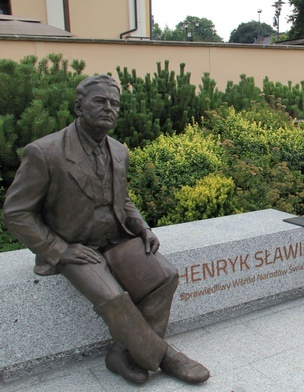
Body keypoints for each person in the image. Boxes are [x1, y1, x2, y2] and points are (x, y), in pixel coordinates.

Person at [2, 75, 210, 384]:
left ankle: (120, 353)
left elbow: (121, 199)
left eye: (114, 104)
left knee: (166, 275)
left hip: (115, 238)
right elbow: (16, 212)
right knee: (114, 298)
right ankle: (165, 355)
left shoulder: (118, 150)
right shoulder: (45, 152)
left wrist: (141, 227)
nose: (108, 108)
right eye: (100, 101)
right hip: (73, 247)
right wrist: (60, 249)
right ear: (79, 106)